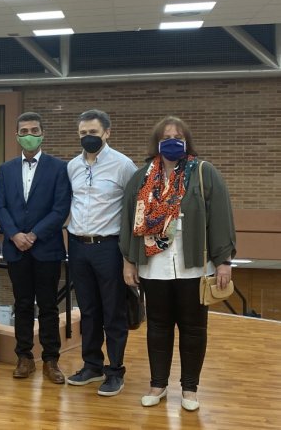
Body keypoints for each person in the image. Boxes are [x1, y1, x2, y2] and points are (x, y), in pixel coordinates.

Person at [119, 116, 236, 411]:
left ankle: (190, 389)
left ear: (187, 141)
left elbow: (220, 218)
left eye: (178, 136)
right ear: (157, 142)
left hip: (194, 266)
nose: (172, 140)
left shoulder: (203, 173)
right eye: (166, 136)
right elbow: (128, 220)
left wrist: (223, 261)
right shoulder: (142, 176)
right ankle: (157, 384)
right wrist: (129, 262)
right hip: (153, 266)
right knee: (157, 327)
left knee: (193, 328)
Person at [0, 112, 72, 383]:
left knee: (49, 307)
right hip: (16, 249)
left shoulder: (58, 168)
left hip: (46, 248)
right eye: (24, 130)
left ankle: (51, 360)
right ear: (17, 136)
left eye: (34, 130)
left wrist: (34, 234)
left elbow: (61, 208)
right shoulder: (6, 169)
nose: (29, 134)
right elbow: (0, 207)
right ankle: (24, 357)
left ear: (42, 134)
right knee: (23, 304)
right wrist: (14, 235)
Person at [65, 109, 137, 396]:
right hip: (77, 245)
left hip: (109, 247)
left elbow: (134, 210)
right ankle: (92, 365)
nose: (88, 137)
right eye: (83, 133)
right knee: (89, 310)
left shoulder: (123, 165)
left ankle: (115, 371)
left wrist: (130, 257)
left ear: (107, 133)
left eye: (93, 132)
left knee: (113, 312)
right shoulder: (72, 166)